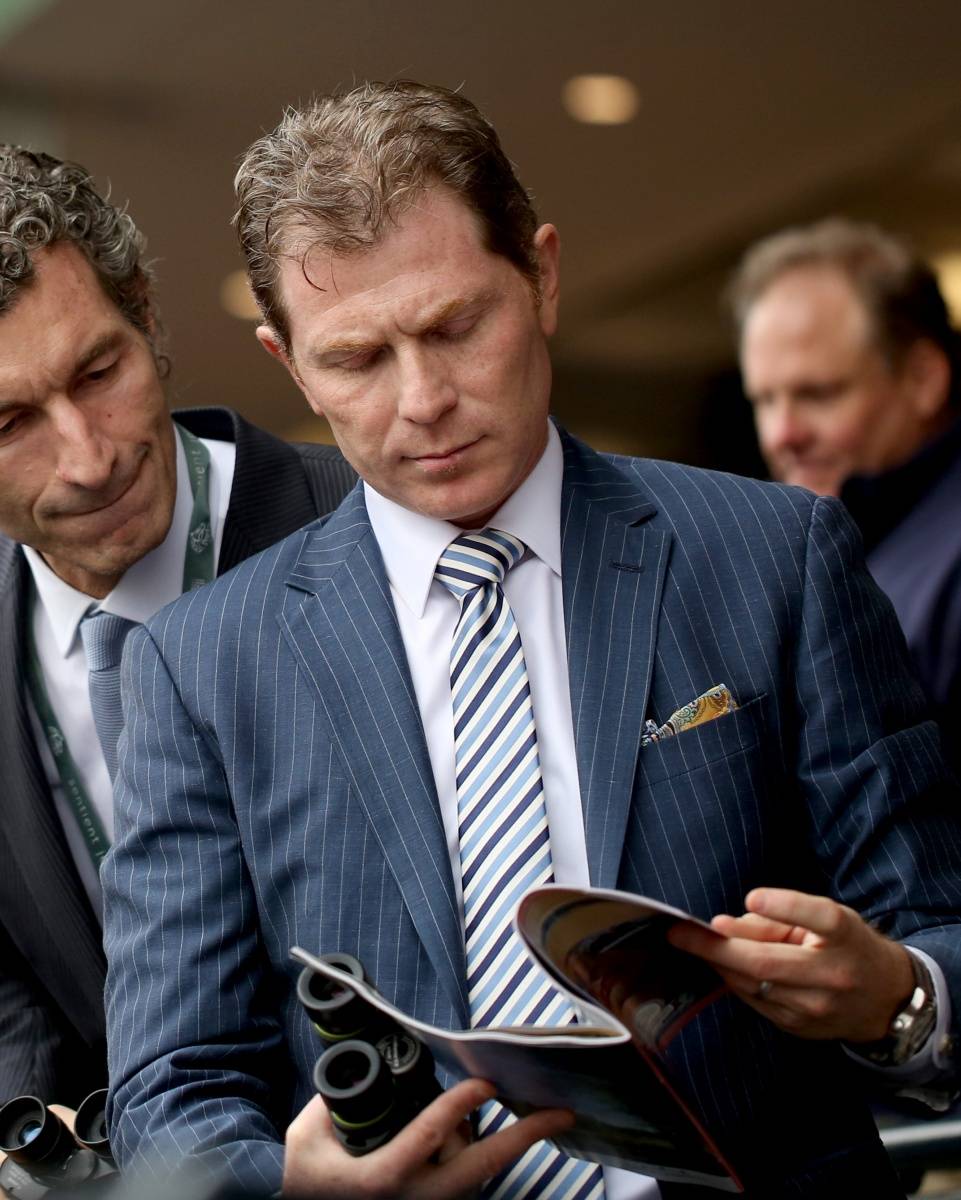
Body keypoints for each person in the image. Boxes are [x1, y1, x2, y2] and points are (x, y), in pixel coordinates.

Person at [102, 84, 961, 1200]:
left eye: (456, 327)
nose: (424, 399)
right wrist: (293, 1192)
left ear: (542, 277)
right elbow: (172, 1090)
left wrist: (897, 995)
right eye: (357, 359)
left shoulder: (773, 556)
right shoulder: (201, 668)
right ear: (289, 364)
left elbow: (935, 929)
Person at [0, 147, 356, 1111]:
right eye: (10, 425)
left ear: (148, 316)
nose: (88, 458)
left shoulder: (371, 528)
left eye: (97, 372)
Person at [731, 218, 961, 765]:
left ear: (923, 378)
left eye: (818, 394)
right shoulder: (811, 557)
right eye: (765, 400)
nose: (783, 434)